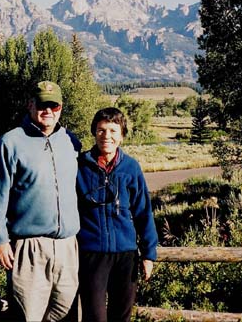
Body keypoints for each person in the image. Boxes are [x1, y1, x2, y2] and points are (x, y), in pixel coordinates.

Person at [0, 80, 81, 321]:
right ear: (30, 105)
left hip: (68, 247)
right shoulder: (10, 143)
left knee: (67, 315)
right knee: (28, 316)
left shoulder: (71, 142)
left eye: (53, 105)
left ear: (61, 108)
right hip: (30, 249)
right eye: (41, 105)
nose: (48, 111)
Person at [76, 107, 158, 322]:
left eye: (113, 131)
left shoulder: (131, 168)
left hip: (126, 254)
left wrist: (148, 254)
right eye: (101, 130)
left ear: (122, 135)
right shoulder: (80, 167)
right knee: (94, 316)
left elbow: (143, 212)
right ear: (94, 132)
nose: (107, 136)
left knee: (121, 316)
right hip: (91, 254)